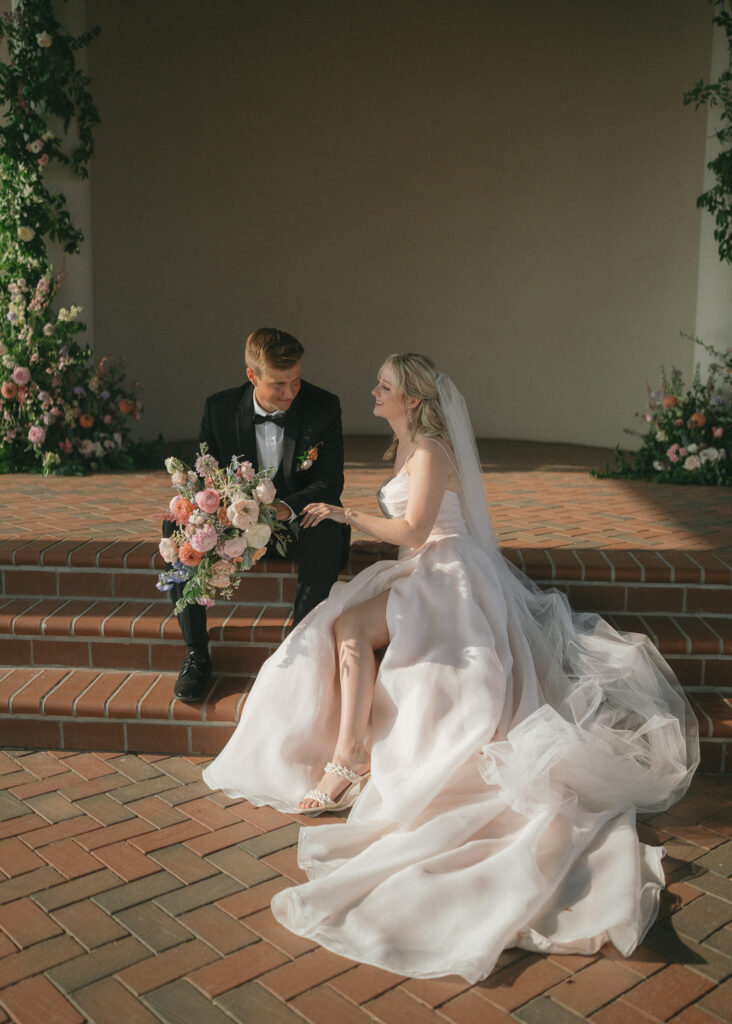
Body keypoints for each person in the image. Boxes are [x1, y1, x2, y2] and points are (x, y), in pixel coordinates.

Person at [202, 353, 698, 983]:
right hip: (422, 569)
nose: (373, 392)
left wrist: (344, 514)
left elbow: (412, 531)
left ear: (410, 399)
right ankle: (347, 755)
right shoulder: (404, 441)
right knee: (340, 624)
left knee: (355, 629)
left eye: (384, 386)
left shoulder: (431, 447)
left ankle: (350, 760)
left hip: (446, 574)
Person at [164, 328, 350, 702]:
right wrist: (220, 510)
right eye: (278, 384)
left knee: (328, 527)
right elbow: (206, 476)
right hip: (235, 522)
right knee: (179, 528)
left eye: (295, 381)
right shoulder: (219, 409)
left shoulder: (322, 406)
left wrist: (285, 508)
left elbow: (329, 481)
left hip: (295, 523)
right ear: (252, 376)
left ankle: (299, 651)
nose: (290, 393)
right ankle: (197, 654)